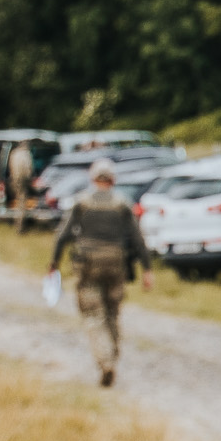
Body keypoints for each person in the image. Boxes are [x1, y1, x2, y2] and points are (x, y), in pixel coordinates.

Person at [47, 159, 154, 387]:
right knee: (113, 312)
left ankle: (105, 361)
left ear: (92, 179)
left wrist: (54, 262)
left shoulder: (82, 202)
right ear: (113, 180)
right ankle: (113, 355)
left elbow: (63, 234)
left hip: (87, 265)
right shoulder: (122, 204)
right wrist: (147, 269)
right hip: (116, 263)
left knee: (94, 314)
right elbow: (137, 238)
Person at [7, 139, 35, 213]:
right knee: (22, 199)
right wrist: (30, 179)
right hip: (23, 179)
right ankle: (20, 221)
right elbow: (29, 169)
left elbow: (10, 166)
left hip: (14, 178)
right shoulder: (26, 154)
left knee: (16, 198)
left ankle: (15, 216)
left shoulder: (14, 153)